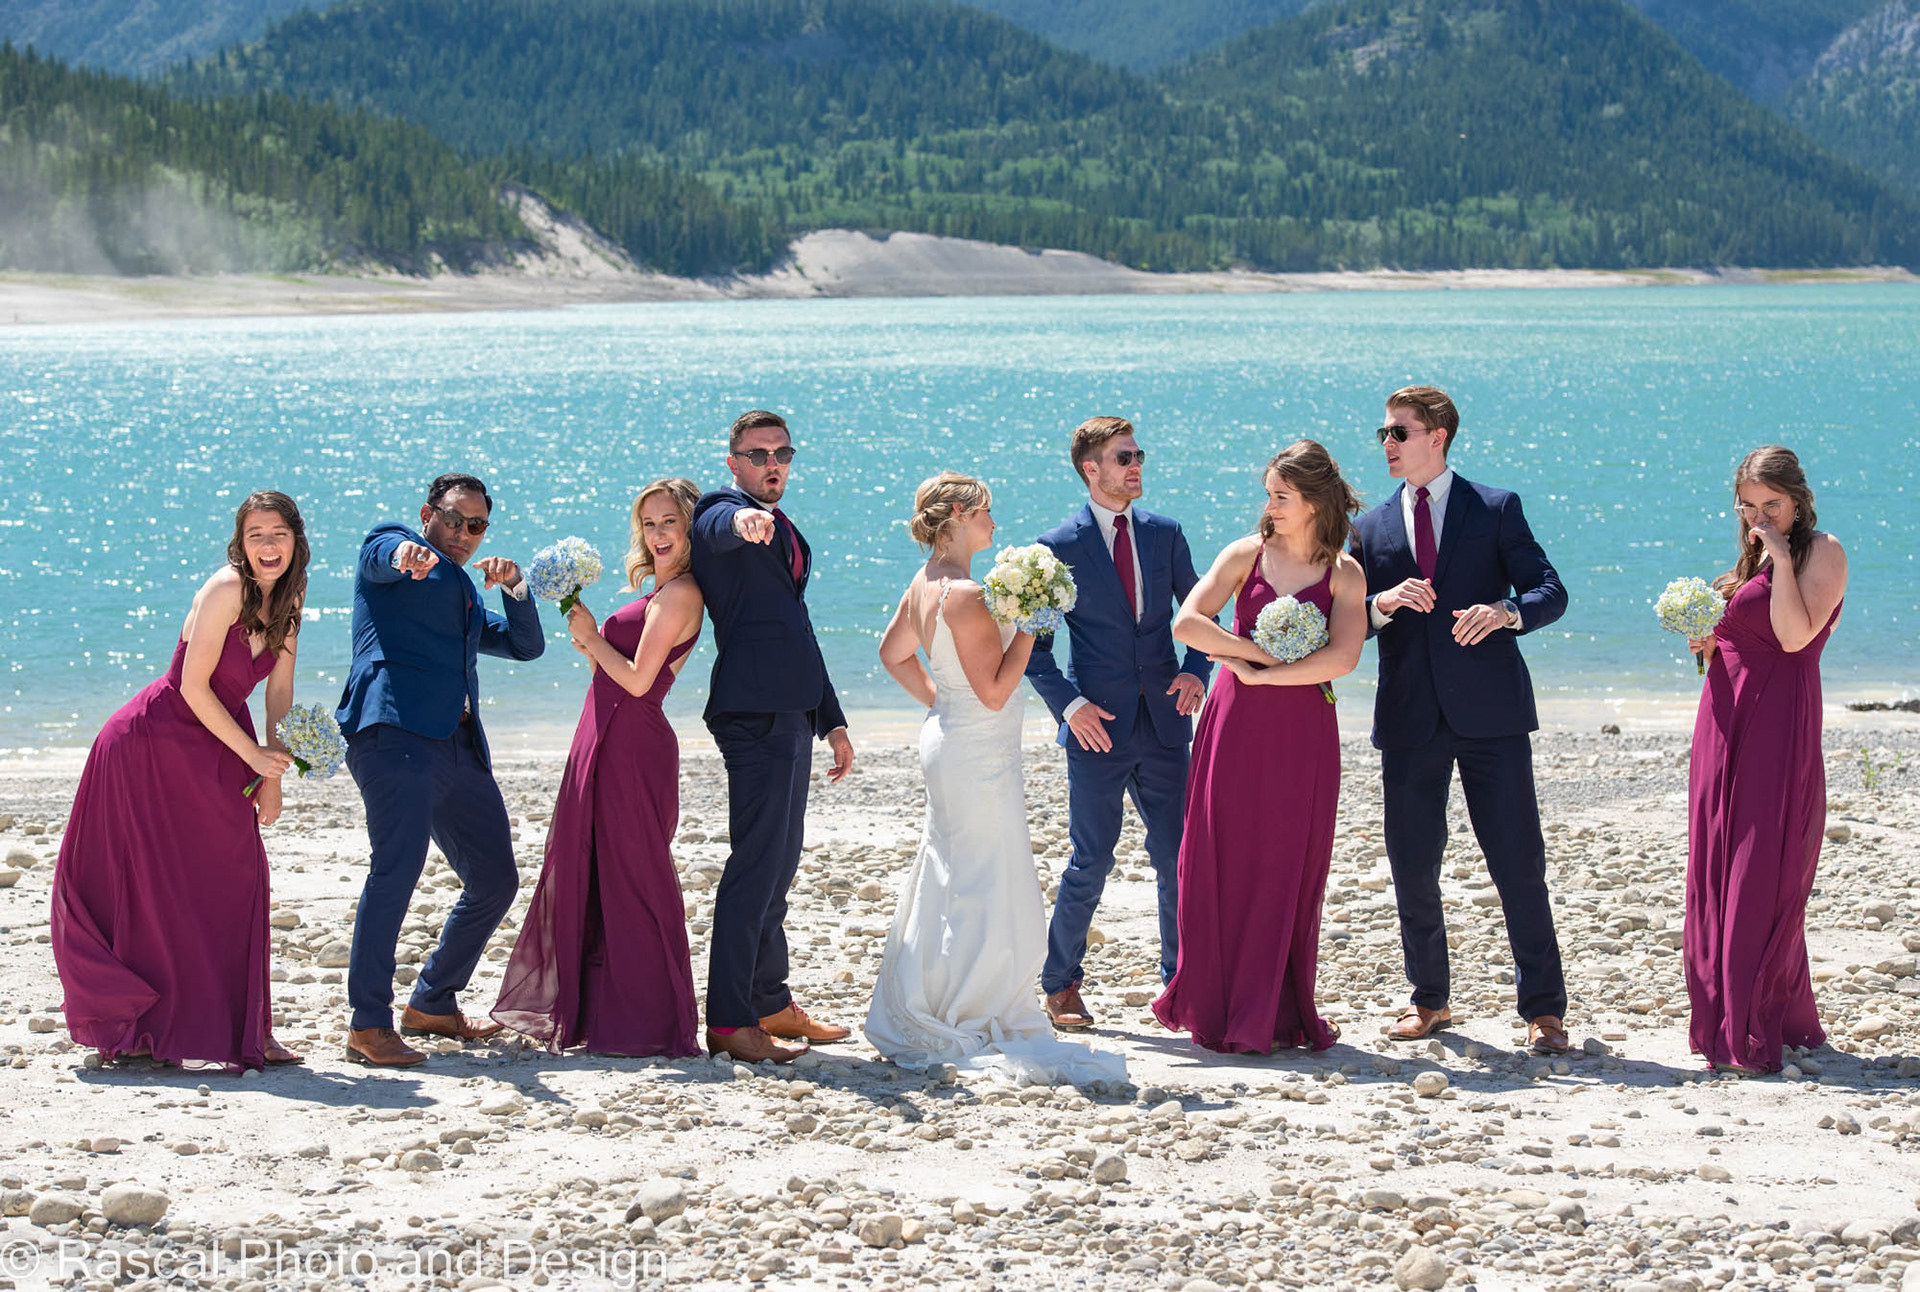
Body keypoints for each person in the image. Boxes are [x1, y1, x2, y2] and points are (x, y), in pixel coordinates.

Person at [867, 473, 1126, 1084]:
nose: (992, 522)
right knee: (985, 875)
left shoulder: (923, 582)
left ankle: (934, 990)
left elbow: (891, 653)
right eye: (985, 512)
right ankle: (972, 1003)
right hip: (976, 750)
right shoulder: (962, 592)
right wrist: (1033, 628)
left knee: (951, 871)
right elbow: (993, 691)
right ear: (958, 514)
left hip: (951, 740)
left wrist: (940, 702)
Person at [51, 491, 308, 1071]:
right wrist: (253, 754)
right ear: (241, 545)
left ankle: (248, 1030)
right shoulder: (226, 589)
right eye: (255, 535)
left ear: (296, 539)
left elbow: (279, 691)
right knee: (151, 884)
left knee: (238, 875)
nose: (268, 546)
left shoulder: (292, 599)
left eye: (278, 534)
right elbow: (193, 687)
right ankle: (144, 1027)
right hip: (152, 745)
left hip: (219, 746)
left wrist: (275, 772)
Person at [1348, 386, 1572, 1053]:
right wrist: (1383, 602)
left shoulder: (1496, 508)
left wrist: (1505, 612)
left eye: (1399, 432)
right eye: (1383, 433)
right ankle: (1429, 1000)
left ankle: (1544, 1010)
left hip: (1493, 717)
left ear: (1437, 435)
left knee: (1517, 863)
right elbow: (1347, 627)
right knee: (1413, 865)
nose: (1387, 443)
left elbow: (1549, 592)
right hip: (1410, 718)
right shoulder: (1370, 527)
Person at [1153, 442, 1365, 1053]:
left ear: (1315, 504)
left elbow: (1344, 656)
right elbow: (1188, 624)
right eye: (1269, 493)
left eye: (1281, 496)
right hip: (1236, 721)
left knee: (1287, 861)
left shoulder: (1345, 572)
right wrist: (1251, 657)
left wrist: (1269, 673)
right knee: (1222, 854)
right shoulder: (1246, 554)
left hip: (1303, 730)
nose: (1268, 506)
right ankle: (1215, 1006)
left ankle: (1278, 1010)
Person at [336, 473, 544, 1067]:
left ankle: (432, 1001)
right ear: (429, 513)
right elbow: (382, 556)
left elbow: (526, 647)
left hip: (458, 747)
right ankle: (367, 1023)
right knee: (396, 870)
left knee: (495, 878)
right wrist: (405, 554)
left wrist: (519, 586)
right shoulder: (397, 546)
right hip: (393, 735)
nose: (463, 534)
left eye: (476, 526)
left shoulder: (464, 594)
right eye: (454, 519)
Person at [492, 479, 705, 1057]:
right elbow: (611, 675)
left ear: (690, 527)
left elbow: (639, 681)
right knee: (596, 869)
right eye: (649, 524)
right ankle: (601, 1012)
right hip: (602, 732)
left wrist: (591, 636)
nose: (658, 534)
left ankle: (652, 1021)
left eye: (669, 522)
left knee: (636, 876)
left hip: (634, 742)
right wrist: (591, 647)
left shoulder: (682, 594)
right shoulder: (659, 589)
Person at [1024, 417, 1212, 1030]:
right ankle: (1061, 983)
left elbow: (1202, 611)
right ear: (1091, 469)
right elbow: (1036, 648)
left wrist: (1195, 668)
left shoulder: (1165, 535)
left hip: (1164, 722)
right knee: (1090, 860)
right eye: (1122, 457)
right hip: (1096, 726)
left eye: (1137, 455)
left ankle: (1180, 982)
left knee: (1177, 856)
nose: (1135, 466)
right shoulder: (1058, 548)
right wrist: (1071, 706)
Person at [691, 410, 854, 1065]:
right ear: (732, 462)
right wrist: (742, 520)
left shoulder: (784, 526)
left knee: (779, 866)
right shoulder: (721, 510)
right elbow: (713, 527)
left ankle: (770, 1000)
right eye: (757, 454)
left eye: (782, 452)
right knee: (753, 869)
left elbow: (797, 626)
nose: (772, 463)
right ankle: (730, 1021)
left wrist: (833, 717)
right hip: (751, 714)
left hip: (791, 710)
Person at [1684, 446, 1846, 1074]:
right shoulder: (1751, 554)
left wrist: (1778, 557)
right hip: (1724, 720)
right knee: (1720, 857)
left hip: (1777, 719)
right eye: (1748, 506)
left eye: (1771, 505)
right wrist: (1709, 634)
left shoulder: (1820, 550)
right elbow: (1744, 635)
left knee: (1760, 861)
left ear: (1797, 500)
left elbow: (1794, 636)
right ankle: (1725, 1010)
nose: (1759, 517)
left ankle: (1756, 1021)